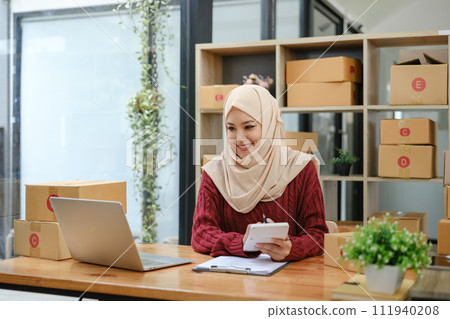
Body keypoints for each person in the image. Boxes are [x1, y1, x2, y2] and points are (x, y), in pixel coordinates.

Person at [191, 84, 328, 262]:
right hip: (229, 281)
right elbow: (201, 234)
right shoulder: (215, 172)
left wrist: (291, 248)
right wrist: (241, 243)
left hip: (288, 281)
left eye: (249, 127)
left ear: (269, 125)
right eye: (231, 128)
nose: (239, 138)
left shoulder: (301, 167)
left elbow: (318, 235)